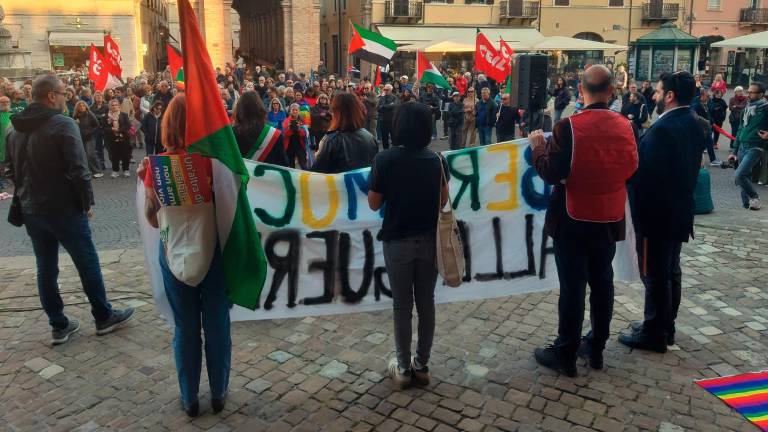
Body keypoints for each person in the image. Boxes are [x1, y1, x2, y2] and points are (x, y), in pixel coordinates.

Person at [4, 74, 134, 346]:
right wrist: (86, 204)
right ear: (51, 95)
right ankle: (103, 316)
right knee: (87, 262)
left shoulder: (14, 129)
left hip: (31, 210)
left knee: (46, 268)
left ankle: (58, 325)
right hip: (63, 209)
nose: (66, 97)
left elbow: (11, 171)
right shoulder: (63, 124)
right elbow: (80, 170)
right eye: (63, 93)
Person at [529, 65, 638, 376]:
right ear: (612, 92)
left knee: (574, 286)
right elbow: (632, 167)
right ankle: (597, 347)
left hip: (573, 218)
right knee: (602, 282)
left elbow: (551, 172)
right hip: (608, 217)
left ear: (581, 91)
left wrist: (538, 148)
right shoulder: (625, 126)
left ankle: (566, 351)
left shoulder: (568, 128)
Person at [137, 95, 230, 418]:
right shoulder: (213, 162)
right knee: (217, 322)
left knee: (185, 326)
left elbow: (152, 218)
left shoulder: (155, 167)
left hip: (173, 251)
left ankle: (189, 398)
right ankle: (219, 392)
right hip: (213, 249)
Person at [620, 71, 706, 353]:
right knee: (670, 272)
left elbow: (644, 177)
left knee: (656, 274)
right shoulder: (694, 122)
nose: (654, 96)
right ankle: (664, 325)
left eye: (657, 91)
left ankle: (654, 332)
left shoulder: (664, 129)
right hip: (678, 212)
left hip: (657, 216)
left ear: (669, 95)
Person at [367, 101, 449, 389]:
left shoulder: (384, 160)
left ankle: (402, 368)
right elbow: (443, 201)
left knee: (402, 306)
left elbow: (374, 202)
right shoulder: (437, 160)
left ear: (397, 127)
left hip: (397, 242)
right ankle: (422, 365)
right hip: (429, 242)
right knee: (427, 304)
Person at [312, 92, 378, 173]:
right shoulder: (370, 137)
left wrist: (317, 156)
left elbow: (317, 171)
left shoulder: (331, 140)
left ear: (337, 113)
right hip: (363, 184)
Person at [729, 82, 768, 210]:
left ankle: (754, 197)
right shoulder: (747, 108)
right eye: (748, 91)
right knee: (746, 176)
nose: (748, 94)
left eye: (752, 92)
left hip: (756, 147)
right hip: (742, 147)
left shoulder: (766, 109)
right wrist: (734, 151)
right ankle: (747, 206)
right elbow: (740, 128)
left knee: (739, 175)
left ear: (761, 94)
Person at [233, 91, 289, 166]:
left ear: (239, 110)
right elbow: (283, 165)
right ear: (260, 108)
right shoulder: (275, 135)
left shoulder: (231, 133)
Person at [72, 101, 103, 178]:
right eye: (80, 106)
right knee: (83, 156)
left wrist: (90, 132)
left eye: (83, 106)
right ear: (77, 108)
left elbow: (97, 126)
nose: (82, 107)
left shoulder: (90, 114)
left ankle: (98, 171)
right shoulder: (75, 116)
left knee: (91, 154)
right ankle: (87, 171)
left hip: (90, 137)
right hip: (80, 138)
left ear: (86, 107)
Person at [103, 99, 132, 178]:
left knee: (125, 155)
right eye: (112, 105)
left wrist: (119, 130)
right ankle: (115, 171)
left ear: (119, 106)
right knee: (114, 156)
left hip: (124, 138)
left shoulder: (124, 115)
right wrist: (111, 129)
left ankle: (126, 170)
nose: (114, 106)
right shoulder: (106, 116)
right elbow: (104, 128)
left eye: (116, 105)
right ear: (109, 107)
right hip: (112, 139)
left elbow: (128, 126)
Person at [283, 103, 311, 169]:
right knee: (290, 165)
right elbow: (284, 134)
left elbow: (305, 134)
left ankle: (304, 178)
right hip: (289, 145)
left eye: (296, 110)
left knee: (303, 165)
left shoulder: (302, 120)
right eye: (293, 110)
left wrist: (299, 129)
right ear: (290, 111)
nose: (294, 111)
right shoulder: (286, 120)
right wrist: (290, 129)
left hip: (300, 145)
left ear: (299, 111)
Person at [91, 91, 109, 171]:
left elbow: (108, 117)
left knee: (109, 147)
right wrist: (101, 116)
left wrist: (100, 116)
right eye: (96, 96)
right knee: (98, 147)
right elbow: (92, 117)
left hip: (106, 129)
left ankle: (114, 161)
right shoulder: (91, 107)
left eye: (100, 96)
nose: (98, 97)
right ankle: (101, 163)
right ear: (94, 98)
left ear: (102, 97)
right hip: (96, 129)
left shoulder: (106, 107)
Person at [377, 84, 398, 150]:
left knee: (394, 137)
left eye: (387, 90)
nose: (385, 91)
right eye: (384, 89)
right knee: (384, 138)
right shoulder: (382, 98)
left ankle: (394, 151)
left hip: (392, 120)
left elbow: (394, 106)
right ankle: (385, 151)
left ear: (391, 90)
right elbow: (378, 108)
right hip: (383, 120)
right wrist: (388, 106)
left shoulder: (394, 98)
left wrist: (383, 106)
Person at [0, 96, 10, 190]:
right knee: (1, 161)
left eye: (7, 102)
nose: (5, 104)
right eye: (3, 102)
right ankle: (2, 179)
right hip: (1, 143)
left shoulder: (12, 114)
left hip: (11, 143)